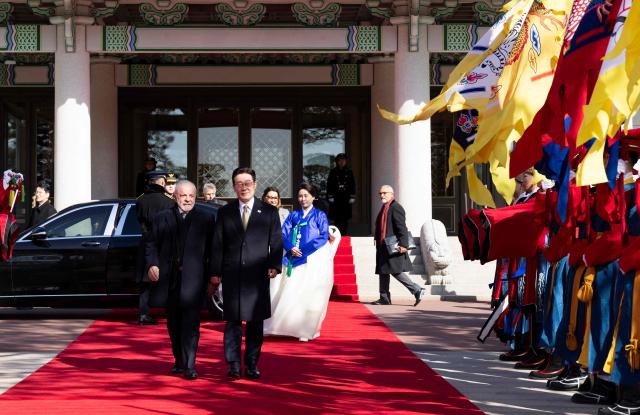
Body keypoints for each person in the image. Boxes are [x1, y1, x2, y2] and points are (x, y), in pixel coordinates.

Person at [210, 167, 283, 380]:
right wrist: (215, 272)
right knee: (232, 322)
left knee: (255, 323)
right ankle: (233, 364)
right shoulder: (224, 212)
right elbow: (218, 244)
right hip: (232, 275)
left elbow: (276, 241)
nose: (244, 187)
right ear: (233, 187)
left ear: (255, 184)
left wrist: (274, 264)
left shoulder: (268, 212)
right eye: (239, 183)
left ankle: (251, 364)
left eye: (248, 182)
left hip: (257, 275)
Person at [145, 180, 215, 380]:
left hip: (194, 281)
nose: (188, 199)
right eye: (183, 195)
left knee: (192, 325)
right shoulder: (162, 218)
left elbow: (213, 250)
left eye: (191, 196)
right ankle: (179, 360)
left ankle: (190, 364)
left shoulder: (206, 219)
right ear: (175, 196)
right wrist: (152, 264)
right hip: (169, 281)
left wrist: (213, 277)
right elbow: (150, 244)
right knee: (174, 324)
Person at [264, 183, 339, 341]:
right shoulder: (293, 215)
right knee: (290, 290)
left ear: (313, 197)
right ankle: (285, 325)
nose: (303, 199)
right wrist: (291, 247)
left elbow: (323, 235)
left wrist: (303, 250)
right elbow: (282, 233)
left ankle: (306, 329)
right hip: (293, 257)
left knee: (309, 293)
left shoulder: (319, 215)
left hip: (313, 259)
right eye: (300, 196)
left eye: (306, 195)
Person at [371, 185, 425, 306]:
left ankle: (417, 290)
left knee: (395, 271)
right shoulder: (385, 207)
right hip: (383, 245)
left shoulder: (396, 207)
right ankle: (384, 298)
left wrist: (404, 244)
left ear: (391, 194)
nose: (382, 195)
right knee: (383, 271)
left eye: (384, 193)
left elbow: (402, 227)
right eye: (380, 193)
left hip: (393, 245)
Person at [135, 170, 176, 325]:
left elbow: (138, 219)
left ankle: (143, 314)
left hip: (146, 240)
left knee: (145, 282)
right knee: (168, 279)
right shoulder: (168, 200)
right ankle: (169, 311)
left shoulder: (140, 199)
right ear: (162, 182)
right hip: (164, 242)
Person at [326, 153, 355, 235]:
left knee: (345, 218)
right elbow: (329, 184)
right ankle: (336, 234)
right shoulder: (333, 172)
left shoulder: (349, 172)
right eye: (340, 160)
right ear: (337, 162)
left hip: (346, 198)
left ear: (346, 161)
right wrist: (330, 196)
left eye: (343, 160)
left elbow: (352, 184)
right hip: (336, 198)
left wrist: (352, 196)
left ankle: (344, 234)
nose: (342, 162)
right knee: (336, 218)